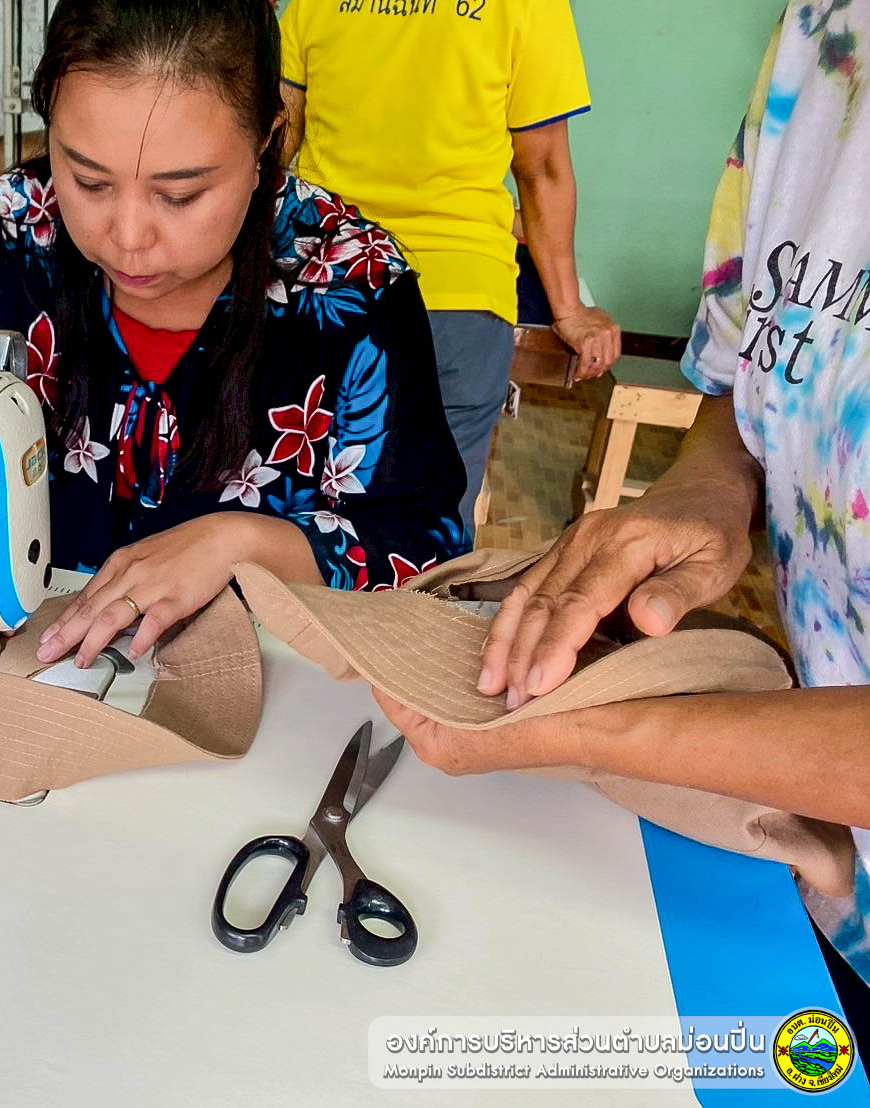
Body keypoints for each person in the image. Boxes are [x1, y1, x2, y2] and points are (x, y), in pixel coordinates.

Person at [373, 1, 870, 1036]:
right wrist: (703, 488)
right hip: (832, 900)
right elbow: (751, 374)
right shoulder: (821, 40)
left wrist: (596, 729)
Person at [0, 0, 466, 669]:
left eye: (179, 196)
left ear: (267, 138)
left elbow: (421, 548)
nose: (126, 238)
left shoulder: (350, 286)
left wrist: (244, 544)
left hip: (256, 696)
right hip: (14, 670)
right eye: (87, 180)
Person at [278, 0, 622, 529]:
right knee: (428, 533)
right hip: (458, 299)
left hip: (328, 282)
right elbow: (543, 166)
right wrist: (570, 310)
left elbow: (279, 137)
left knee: (296, 516)